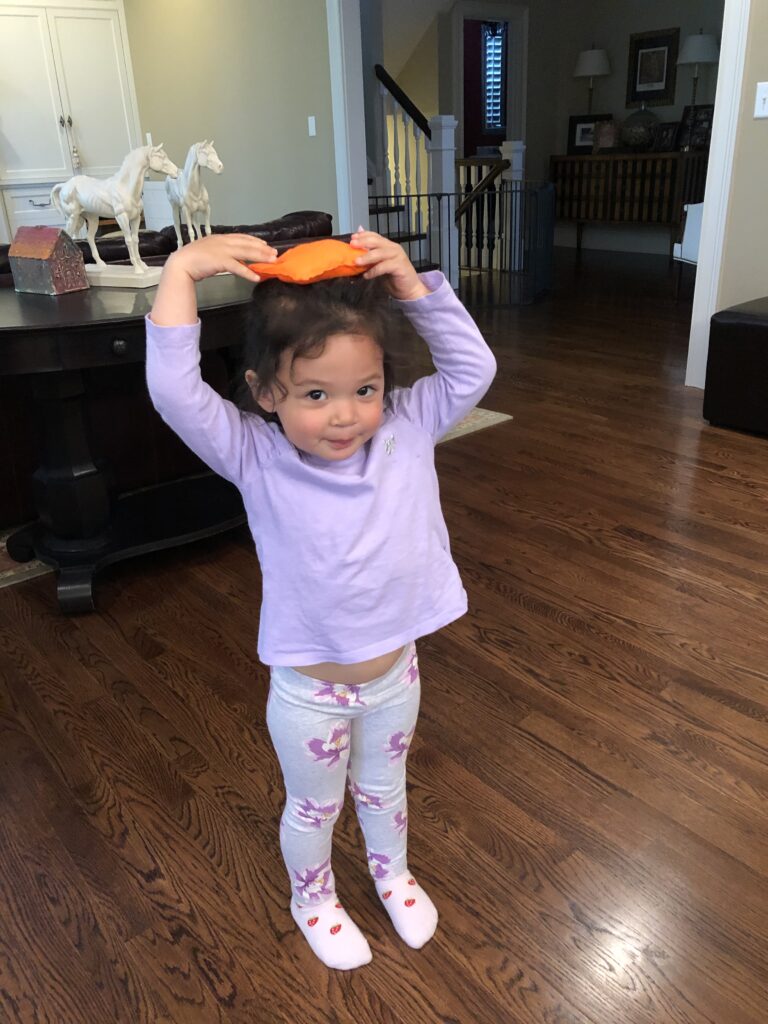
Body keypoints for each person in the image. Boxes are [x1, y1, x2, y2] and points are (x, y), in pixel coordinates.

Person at [146, 230, 496, 970]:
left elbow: (475, 367)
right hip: (311, 694)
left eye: (364, 389)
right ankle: (313, 898)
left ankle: (391, 874)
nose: (345, 415)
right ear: (265, 392)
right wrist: (178, 272)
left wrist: (411, 285)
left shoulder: (407, 426)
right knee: (315, 807)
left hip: (396, 675)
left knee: (385, 788)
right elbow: (175, 393)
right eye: (315, 394)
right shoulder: (256, 454)